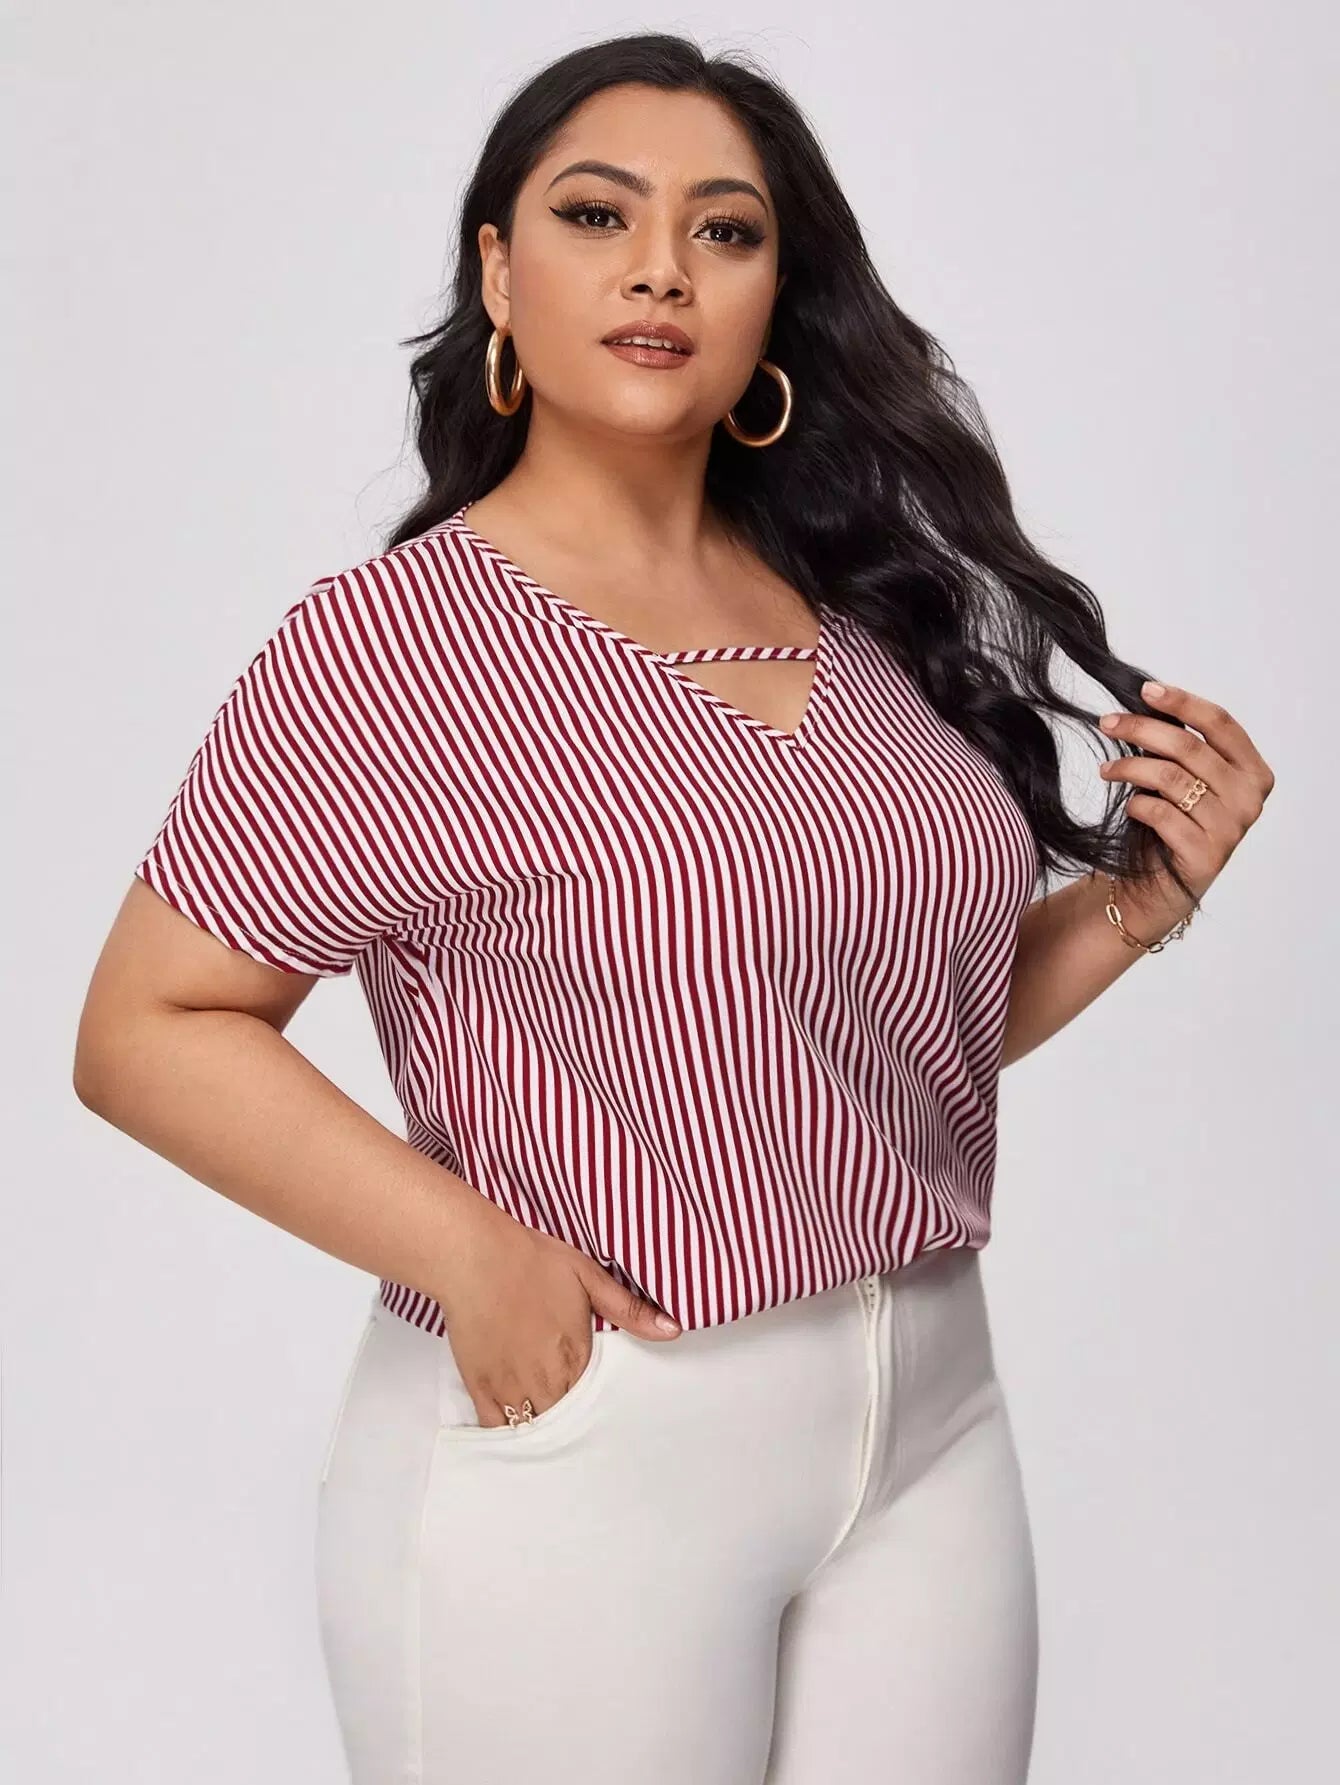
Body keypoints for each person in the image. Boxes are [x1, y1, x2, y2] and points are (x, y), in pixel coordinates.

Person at [73, 30, 1274, 1785]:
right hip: (592, 1445)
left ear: (778, 296)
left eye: (725, 230)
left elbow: (865, 1038)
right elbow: (145, 1026)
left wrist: (1140, 898)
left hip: (931, 1423)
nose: (662, 269)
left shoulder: (861, 622)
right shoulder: (396, 649)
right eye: (597, 215)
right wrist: (472, 1255)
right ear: (500, 274)